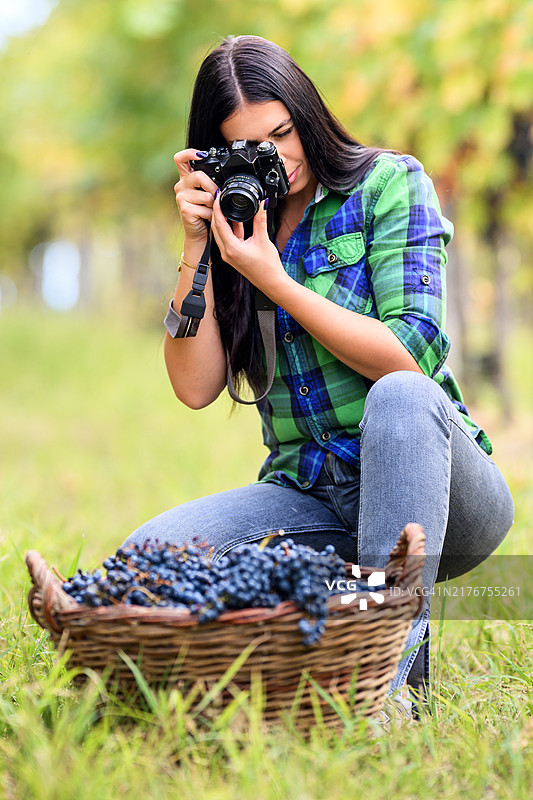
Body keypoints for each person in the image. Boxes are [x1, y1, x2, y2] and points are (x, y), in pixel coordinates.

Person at [122, 35, 514, 706]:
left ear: (307, 110)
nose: (278, 156)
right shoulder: (236, 221)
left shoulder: (389, 183)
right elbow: (194, 388)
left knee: (397, 396)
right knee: (147, 559)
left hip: (438, 483)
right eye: (251, 146)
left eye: (283, 130)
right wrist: (198, 248)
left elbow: (411, 356)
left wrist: (273, 282)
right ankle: (324, 622)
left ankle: (387, 686)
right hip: (313, 499)